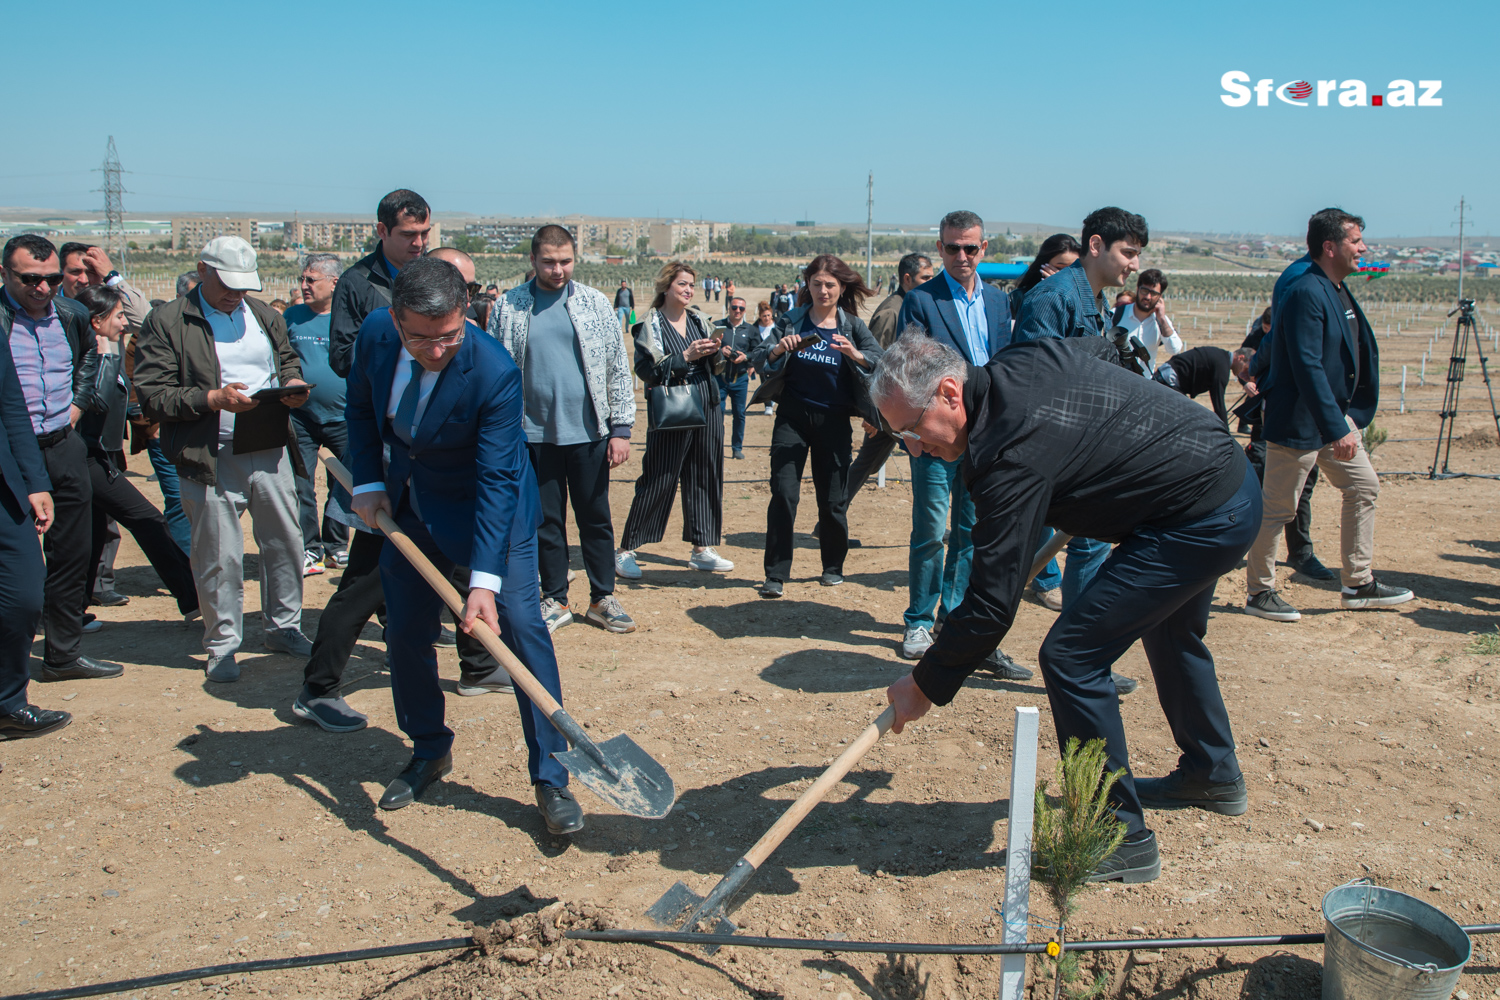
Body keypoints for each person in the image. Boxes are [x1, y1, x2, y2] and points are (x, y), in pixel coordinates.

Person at [874, 332, 1263, 884]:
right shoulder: (1021, 360)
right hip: (1216, 479)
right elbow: (1102, 349)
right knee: (1171, 632)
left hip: (1199, 514)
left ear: (949, 392)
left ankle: (1120, 837)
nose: (914, 447)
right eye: (900, 436)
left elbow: (990, 605)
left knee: (1072, 657)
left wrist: (924, 685)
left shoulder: (1008, 457)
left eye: (912, 428)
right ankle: (1212, 771)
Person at [346, 256, 583, 834]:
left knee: (524, 629)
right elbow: (359, 405)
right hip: (408, 507)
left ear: (465, 313)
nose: (435, 349)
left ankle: (551, 776)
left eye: (448, 335)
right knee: (405, 630)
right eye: (420, 339)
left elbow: (499, 480)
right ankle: (429, 746)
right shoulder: (378, 334)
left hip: (491, 511)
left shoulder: (492, 370)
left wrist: (482, 583)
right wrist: (370, 482)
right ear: (397, 321)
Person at [134, 236, 313, 682]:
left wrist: (291, 383)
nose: (236, 294)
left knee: (286, 542)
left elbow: (286, 359)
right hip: (209, 453)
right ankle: (222, 644)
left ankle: (284, 627)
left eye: (243, 286)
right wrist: (212, 398)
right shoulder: (168, 321)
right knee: (219, 554)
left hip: (269, 446)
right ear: (202, 270)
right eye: (227, 284)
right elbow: (152, 394)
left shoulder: (265, 315)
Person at [1244, 208, 1413, 622]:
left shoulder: (1335, 287)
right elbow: (1307, 365)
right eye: (1356, 241)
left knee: (1364, 487)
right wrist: (1337, 426)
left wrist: (1343, 419)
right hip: (1301, 422)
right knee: (1279, 509)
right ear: (1330, 245)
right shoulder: (1306, 291)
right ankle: (1259, 591)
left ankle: (1357, 582)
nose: (1363, 248)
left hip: (1333, 419)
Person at [890, 213, 1031, 678]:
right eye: (952, 249)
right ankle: (918, 622)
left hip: (983, 435)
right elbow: (907, 369)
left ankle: (953, 615)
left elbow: (1006, 363)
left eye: (970, 248)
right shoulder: (921, 301)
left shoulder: (996, 302)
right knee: (931, 530)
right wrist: (909, 434)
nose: (962, 257)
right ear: (940, 248)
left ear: (984, 248)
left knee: (971, 530)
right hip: (934, 435)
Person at [491, 226, 637, 636]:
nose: (558, 270)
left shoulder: (594, 303)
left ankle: (602, 597)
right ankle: (554, 597)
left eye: (566, 261)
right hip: (532, 436)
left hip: (589, 432)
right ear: (533, 260)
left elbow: (616, 367)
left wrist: (621, 428)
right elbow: (496, 370)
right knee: (546, 521)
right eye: (550, 262)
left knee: (595, 517)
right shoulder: (509, 307)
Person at [1013, 208, 1148, 617]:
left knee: (1092, 546)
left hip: (1086, 449)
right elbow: (1035, 382)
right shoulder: (1053, 299)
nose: (1135, 264)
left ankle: (1078, 653)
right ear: (1095, 246)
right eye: (1128, 252)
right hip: (1054, 450)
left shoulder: (1097, 302)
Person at [0, 235, 119, 682]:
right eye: (31, 279)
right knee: (16, 564)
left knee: (72, 554)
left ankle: (63, 655)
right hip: (11, 453)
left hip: (62, 445)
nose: (43, 288)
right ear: (6, 274)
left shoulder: (69, 315)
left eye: (51, 279)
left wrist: (77, 404)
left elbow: (90, 355)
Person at [749, 254, 881, 597]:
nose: (824, 291)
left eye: (830, 285)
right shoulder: (791, 321)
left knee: (833, 500)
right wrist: (778, 349)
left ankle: (832, 566)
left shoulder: (852, 325)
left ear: (841, 288)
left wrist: (856, 354)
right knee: (783, 494)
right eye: (817, 284)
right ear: (806, 286)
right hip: (792, 417)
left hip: (835, 421)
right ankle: (775, 575)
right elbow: (759, 359)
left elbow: (880, 361)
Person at [72, 285, 200, 623]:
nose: (125, 323)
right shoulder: (92, 358)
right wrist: (102, 349)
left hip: (105, 457)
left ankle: (73, 611)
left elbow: (143, 318)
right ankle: (192, 597)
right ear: (96, 322)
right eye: (117, 317)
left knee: (92, 535)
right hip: (88, 458)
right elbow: (96, 402)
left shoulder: (108, 352)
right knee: (148, 520)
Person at [616, 262, 733, 580]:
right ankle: (627, 549)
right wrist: (685, 357)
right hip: (673, 408)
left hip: (708, 406)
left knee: (706, 475)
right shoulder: (648, 325)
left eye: (692, 285)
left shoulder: (699, 319)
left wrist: (719, 353)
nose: (688, 290)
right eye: (682, 284)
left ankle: (702, 548)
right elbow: (646, 371)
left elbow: (717, 368)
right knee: (659, 476)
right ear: (666, 286)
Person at [59, 242, 151, 607]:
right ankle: (70, 598)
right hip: (70, 440)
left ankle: (98, 583)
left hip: (106, 435)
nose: (83, 279)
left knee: (107, 520)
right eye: (74, 272)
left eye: (89, 273)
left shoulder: (107, 306)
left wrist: (113, 279)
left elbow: (144, 320)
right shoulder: (55, 314)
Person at [1005, 233, 1082, 609]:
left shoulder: (1083, 300)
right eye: (1063, 269)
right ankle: (1046, 578)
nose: (1072, 276)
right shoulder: (1029, 301)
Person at [0, 312, 65, 739]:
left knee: (24, 594)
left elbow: (11, 408)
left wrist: (35, 481)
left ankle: (7, 702)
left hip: (6, 487)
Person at [1237, 307, 1331, 580]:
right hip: (1267, 425)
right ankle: (1237, 545)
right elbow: (1243, 366)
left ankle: (1301, 552)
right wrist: (1248, 383)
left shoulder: (1306, 331)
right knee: (1256, 483)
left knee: (1301, 488)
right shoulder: (1258, 336)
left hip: (1303, 423)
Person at [285, 254, 349, 576]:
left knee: (345, 483)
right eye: (303, 279)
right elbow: (281, 360)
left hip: (344, 416)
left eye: (312, 280)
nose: (304, 285)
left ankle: (337, 545)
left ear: (334, 282)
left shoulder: (348, 317)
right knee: (300, 483)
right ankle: (310, 549)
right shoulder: (291, 317)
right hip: (301, 416)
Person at [329, 189, 433, 380]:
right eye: (408, 234)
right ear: (382, 231)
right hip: (378, 403)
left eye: (425, 233)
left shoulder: (441, 275)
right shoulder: (354, 283)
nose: (419, 243)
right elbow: (341, 360)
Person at [1152, 345, 1254, 427]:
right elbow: (1218, 403)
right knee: (1185, 420)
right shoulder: (1222, 366)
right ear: (1241, 358)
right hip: (1167, 380)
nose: (1245, 373)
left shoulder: (1221, 357)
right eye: (1246, 368)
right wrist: (1227, 434)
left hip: (1165, 375)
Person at [1111, 270, 1181, 374]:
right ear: (1137, 289)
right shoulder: (1116, 314)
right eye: (1144, 291)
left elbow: (1174, 349)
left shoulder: (1161, 321)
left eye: (1153, 293)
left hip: (1145, 384)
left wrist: (1162, 319)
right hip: (1117, 380)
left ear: (1160, 297)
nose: (1147, 297)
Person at [1007, 234, 1082, 329]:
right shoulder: (1017, 298)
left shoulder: (1086, 299)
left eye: (1072, 269)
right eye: (1059, 268)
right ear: (1043, 266)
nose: (1065, 275)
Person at [713, 297, 755, 460]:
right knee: (718, 413)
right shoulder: (718, 326)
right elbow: (707, 347)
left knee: (739, 414)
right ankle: (716, 447)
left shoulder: (751, 330)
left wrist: (746, 357)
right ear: (729, 308)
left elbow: (757, 351)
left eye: (741, 309)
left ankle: (737, 448)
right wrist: (720, 350)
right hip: (720, 377)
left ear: (745, 311)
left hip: (740, 378)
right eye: (734, 307)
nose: (737, 311)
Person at [750, 300, 778, 415]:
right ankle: (768, 405)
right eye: (763, 316)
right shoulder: (755, 328)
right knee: (764, 382)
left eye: (768, 315)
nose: (766, 318)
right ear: (760, 316)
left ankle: (775, 399)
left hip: (778, 356)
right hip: (763, 359)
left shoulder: (778, 324)